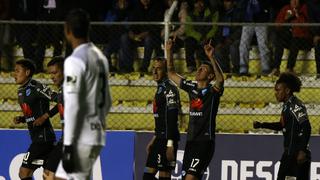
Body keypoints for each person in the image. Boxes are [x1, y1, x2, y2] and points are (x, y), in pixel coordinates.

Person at [55, 9, 112, 180]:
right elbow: (108, 101)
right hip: (97, 132)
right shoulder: (100, 57)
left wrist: (68, 145)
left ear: (67, 30)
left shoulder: (74, 61)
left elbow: (72, 104)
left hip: (81, 137)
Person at [166, 39, 224, 180]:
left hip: (205, 142)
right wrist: (169, 51)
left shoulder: (213, 92)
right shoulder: (191, 86)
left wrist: (211, 57)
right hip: (191, 141)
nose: (198, 70)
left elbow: (221, 80)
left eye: (203, 69)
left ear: (210, 76)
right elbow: (171, 73)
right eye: (199, 67)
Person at [253, 72, 311, 180]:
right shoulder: (287, 106)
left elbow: (306, 127)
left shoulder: (295, 105)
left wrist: (302, 151)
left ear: (287, 90)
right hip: (290, 152)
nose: (275, 93)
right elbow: (281, 125)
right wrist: (262, 125)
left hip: (296, 153)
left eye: (278, 90)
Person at [13, 59, 57, 180]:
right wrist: (22, 118)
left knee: (24, 173)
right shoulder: (21, 91)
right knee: (49, 175)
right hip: (39, 138)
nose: (14, 74)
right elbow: (33, 113)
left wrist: (45, 116)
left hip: (43, 139)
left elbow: (60, 101)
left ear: (27, 72)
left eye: (17, 71)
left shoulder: (36, 87)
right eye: (14, 71)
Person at [143, 57, 181, 180]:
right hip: (159, 138)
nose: (154, 71)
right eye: (153, 68)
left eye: (158, 69)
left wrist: (170, 144)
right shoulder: (160, 88)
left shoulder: (170, 89)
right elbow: (161, 119)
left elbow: (172, 117)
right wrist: (154, 138)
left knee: (164, 175)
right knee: (147, 176)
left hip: (166, 140)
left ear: (165, 71)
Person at [269, 0, 311, 76]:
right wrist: (285, 18)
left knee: (295, 41)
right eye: (292, 0)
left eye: (296, 0)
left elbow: (307, 28)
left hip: (302, 39)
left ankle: (289, 68)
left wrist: (297, 15)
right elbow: (277, 26)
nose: (294, 2)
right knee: (279, 41)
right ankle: (276, 68)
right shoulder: (285, 8)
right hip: (288, 39)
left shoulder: (304, 9)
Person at [41, 57, 65, 180]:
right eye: (50, 73)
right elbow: (60, 103)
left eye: (55, 72)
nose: (52, 76)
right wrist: (47, 114)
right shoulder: (63, 90)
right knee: (50, 174)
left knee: (48, 174)